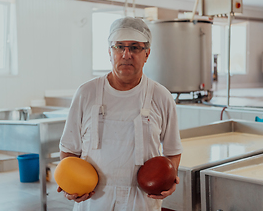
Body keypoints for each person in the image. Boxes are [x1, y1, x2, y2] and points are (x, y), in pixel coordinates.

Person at [57, 16, 183, 211]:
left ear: (147, 53)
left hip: (141, 201)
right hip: (94, 200)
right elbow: (69, 150)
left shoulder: (161, 96)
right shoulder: (86, 93)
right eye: (119, 47)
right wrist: (70, 184)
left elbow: (173, 151)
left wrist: (168, 178)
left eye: (134, 47)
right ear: (109, 52)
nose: (126, 54)